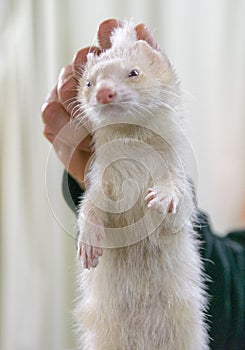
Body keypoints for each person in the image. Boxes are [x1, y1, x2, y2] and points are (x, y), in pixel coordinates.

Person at [41, 19, 245, 350]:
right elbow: (99, 197)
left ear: (158, 70)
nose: (104, 92)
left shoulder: (167, 150)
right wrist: (91, 208)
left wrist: (169, 193)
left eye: (133, 74)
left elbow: (176, 198)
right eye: (91, 84)